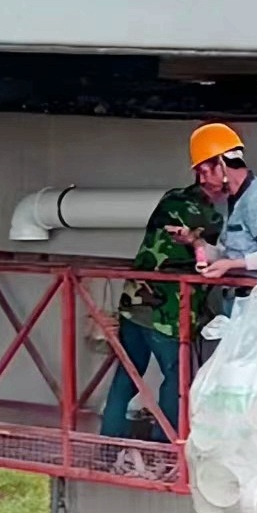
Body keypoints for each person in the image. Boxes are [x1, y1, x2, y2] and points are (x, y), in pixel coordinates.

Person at [100, 164, 225, 442]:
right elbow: (208, 258)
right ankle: (163, 446)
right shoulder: (209, 217)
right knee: (176, 378)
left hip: (135, 300)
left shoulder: (171, 198)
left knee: (127, 374)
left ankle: (108, 442)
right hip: (168, 310)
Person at [183, 123, 257, 293]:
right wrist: (196, 243)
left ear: (222, 164)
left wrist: (231, 265)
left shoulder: (256, 199)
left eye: (204, 172)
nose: (202, 181)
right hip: (241, 301)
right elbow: (231, 256)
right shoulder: (234, 200)